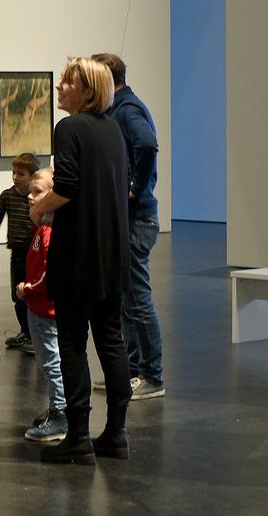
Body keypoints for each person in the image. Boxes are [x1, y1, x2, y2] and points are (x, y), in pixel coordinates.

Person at [30, 57, 132, 465]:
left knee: (71, 342)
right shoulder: (113, 130)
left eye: (67, 81)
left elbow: (67, 186)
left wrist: (39, 209)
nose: (59, 87)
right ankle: (117, 434)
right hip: (112, 252)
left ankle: (78, 437)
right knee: (110, 339)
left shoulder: (69, 127)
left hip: (78, 255)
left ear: (87, 91)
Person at [92, 52, 165, 400]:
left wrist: (135, 187)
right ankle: (132, 371)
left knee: (137, 299)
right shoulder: (118, 109)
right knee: (125, 298)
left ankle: (152, 376)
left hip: (138, 219)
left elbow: (147, 144)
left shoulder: (128, 109)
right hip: (129, 219)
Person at [17, 168, 67, 442]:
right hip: (37, 306)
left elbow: (49, 272)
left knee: (52, 362)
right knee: (48, 361)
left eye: (38, 192)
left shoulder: (50, 233)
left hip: (45, 308)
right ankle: (56, 408)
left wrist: (29, 288)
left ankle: (60, 414)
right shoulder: (41, 228)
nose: (30, 197)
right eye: (30, 192)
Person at [0, 152, 41, 354]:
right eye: (13, 172)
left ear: (32, 175)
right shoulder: (7, 195)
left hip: (34, 253)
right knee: (16, 294)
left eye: (20, 173)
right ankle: (25, 332)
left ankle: (35, 335)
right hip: (17, 253)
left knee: (32, 293)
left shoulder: (36, 198)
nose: (15, 177)